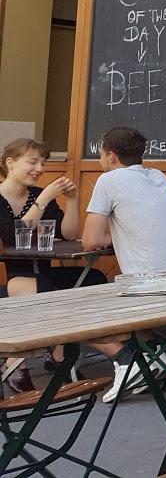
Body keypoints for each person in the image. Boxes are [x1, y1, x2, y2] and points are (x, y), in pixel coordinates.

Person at [83, 126, 166, 402]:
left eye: (100, 153)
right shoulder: (158, 176)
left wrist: (114, 234)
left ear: (110, 155)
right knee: (127, 298)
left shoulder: (108, 182)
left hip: (151, 285)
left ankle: (127, 361)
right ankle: (157, 358)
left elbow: (89, 241)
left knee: (73, 314)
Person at [0, 138, 106, 392]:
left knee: (93, 278)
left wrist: (72, 200)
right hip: (12, 277)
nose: (39, 168)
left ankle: (59, 354)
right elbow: (12, 239)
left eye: (43, 163)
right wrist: (45, 197)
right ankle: (32, 361)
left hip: (41, 273)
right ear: (10, 163)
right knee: (47, 290)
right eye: (32, 161)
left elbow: (67, 234)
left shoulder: (37, 195)